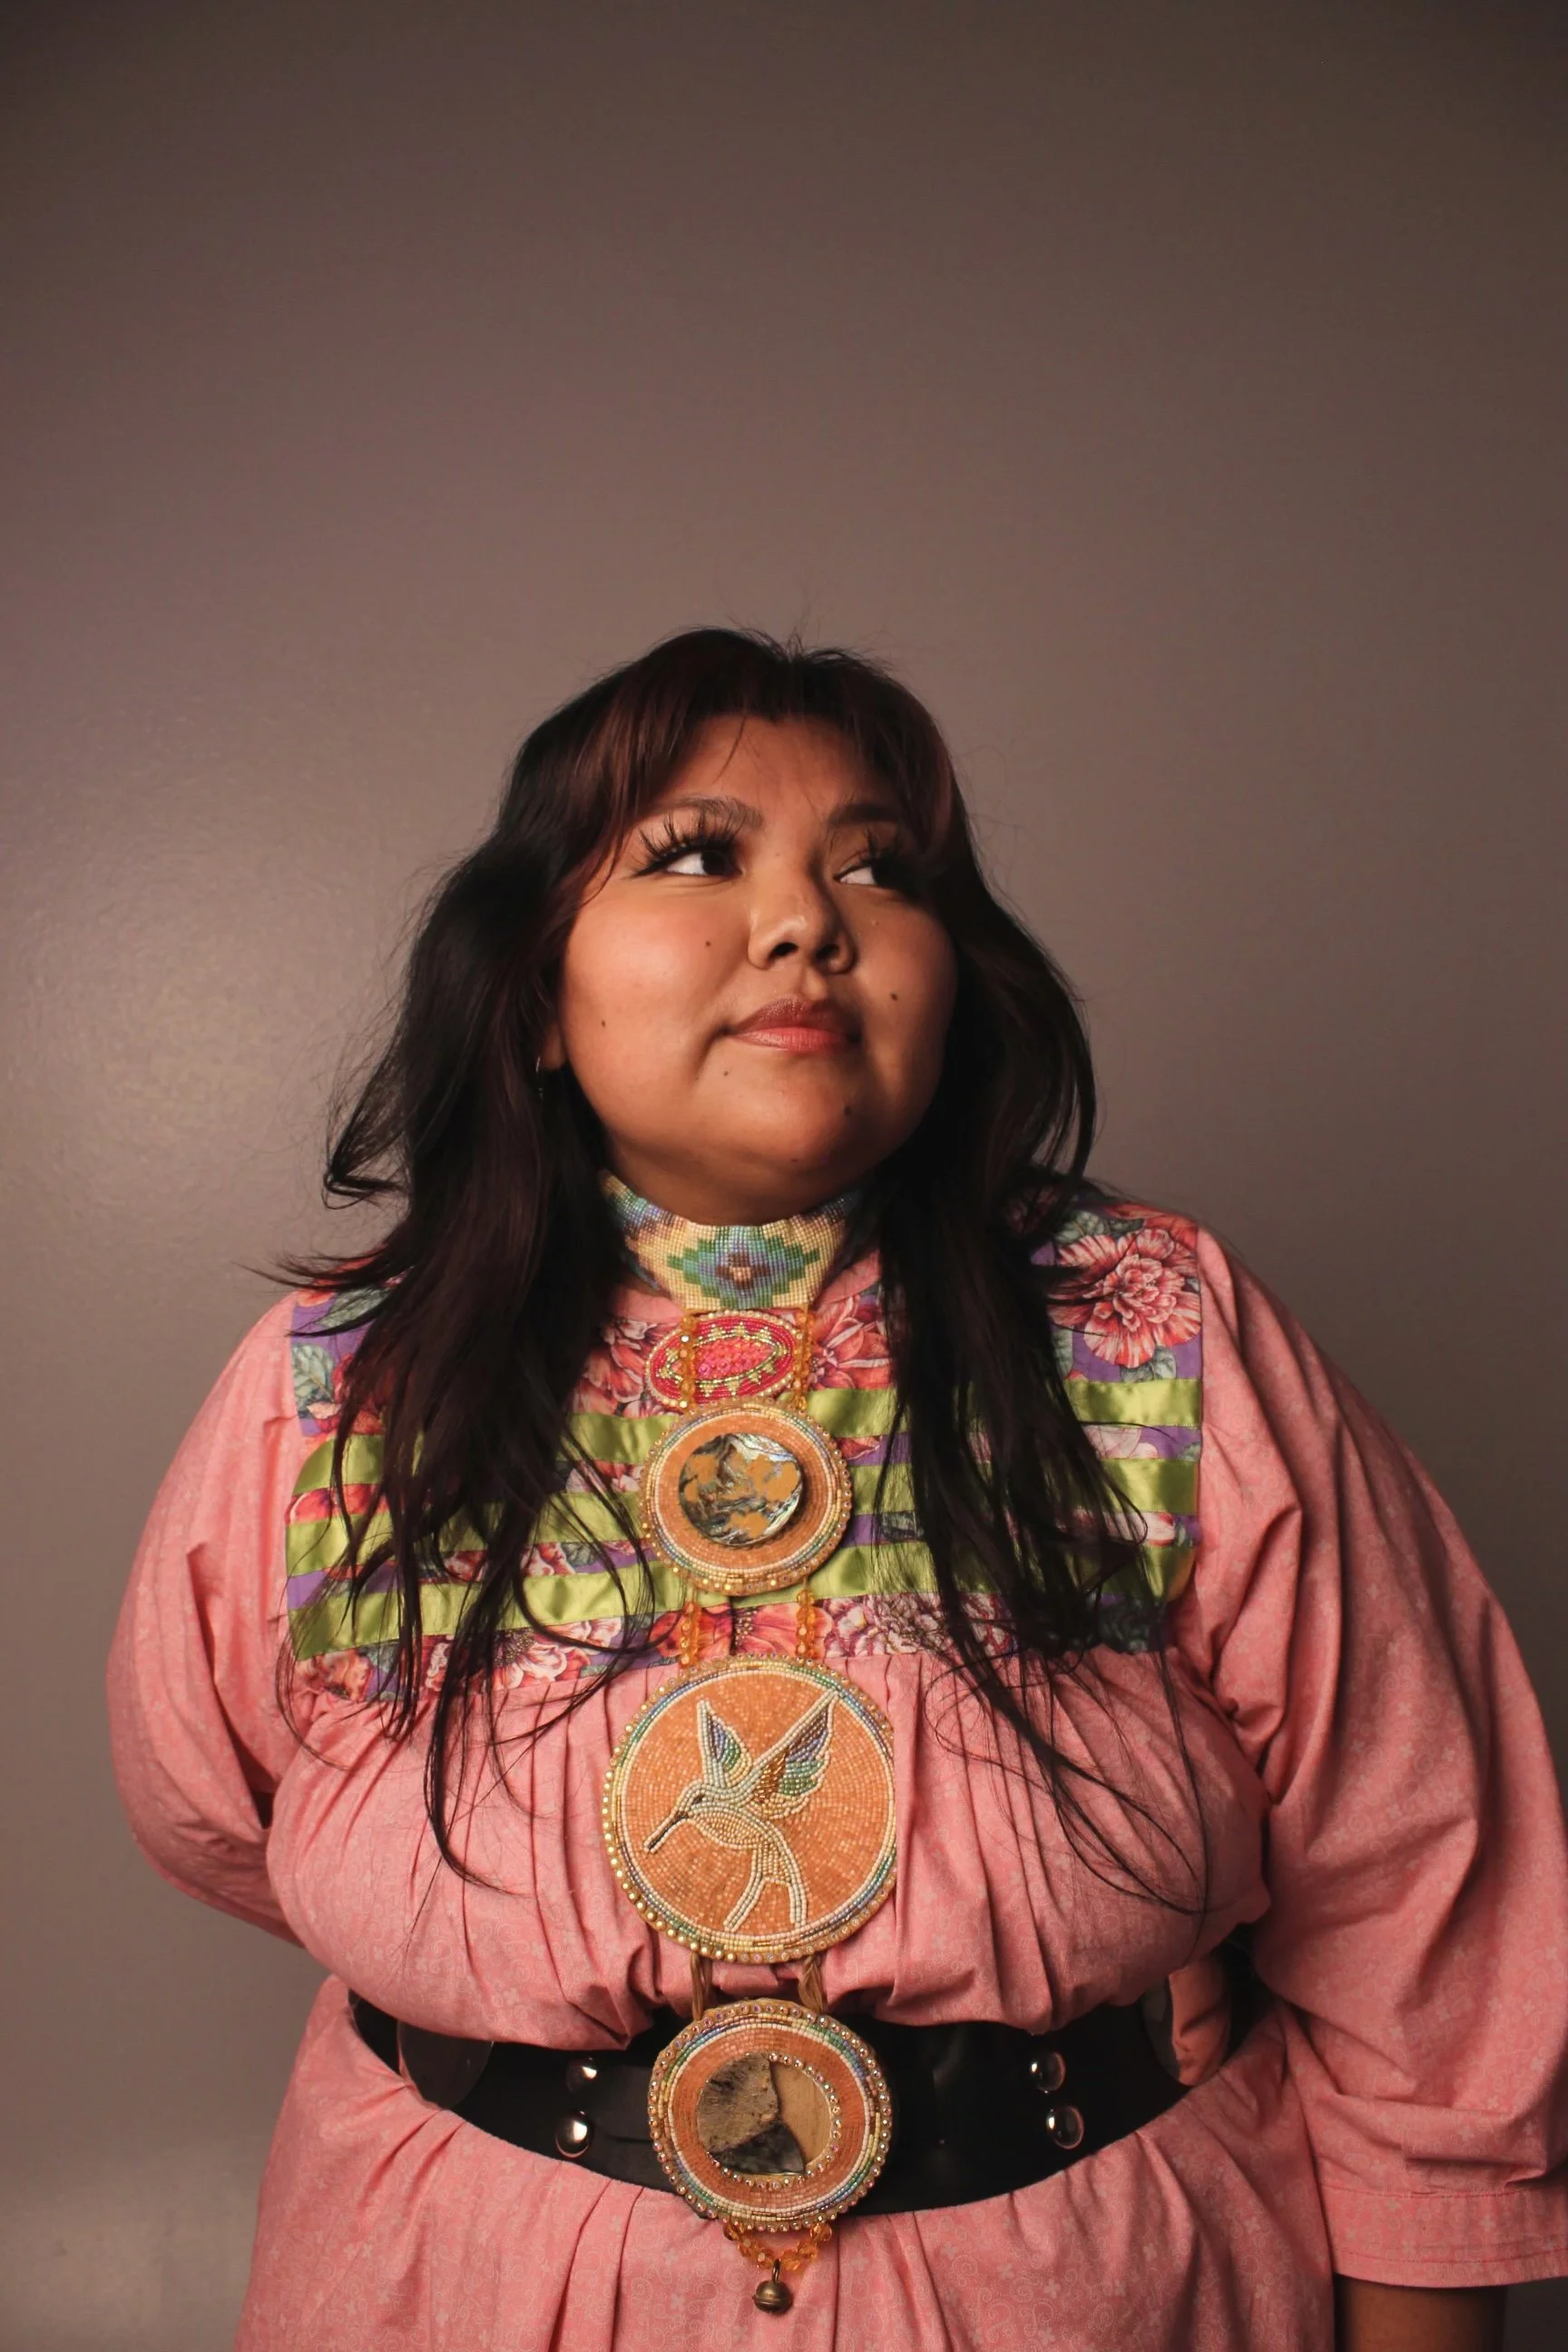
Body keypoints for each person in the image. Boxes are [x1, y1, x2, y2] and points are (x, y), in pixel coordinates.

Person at [110, 629, 1568, 2351]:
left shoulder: (1158, 1325)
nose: (809, 919)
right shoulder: (346, 1383)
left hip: (1099, 2288)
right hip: (465, 2282)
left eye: (879, 866)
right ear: (534, 996)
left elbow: (1421, 1885)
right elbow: (217, 1801)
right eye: (697, 855)